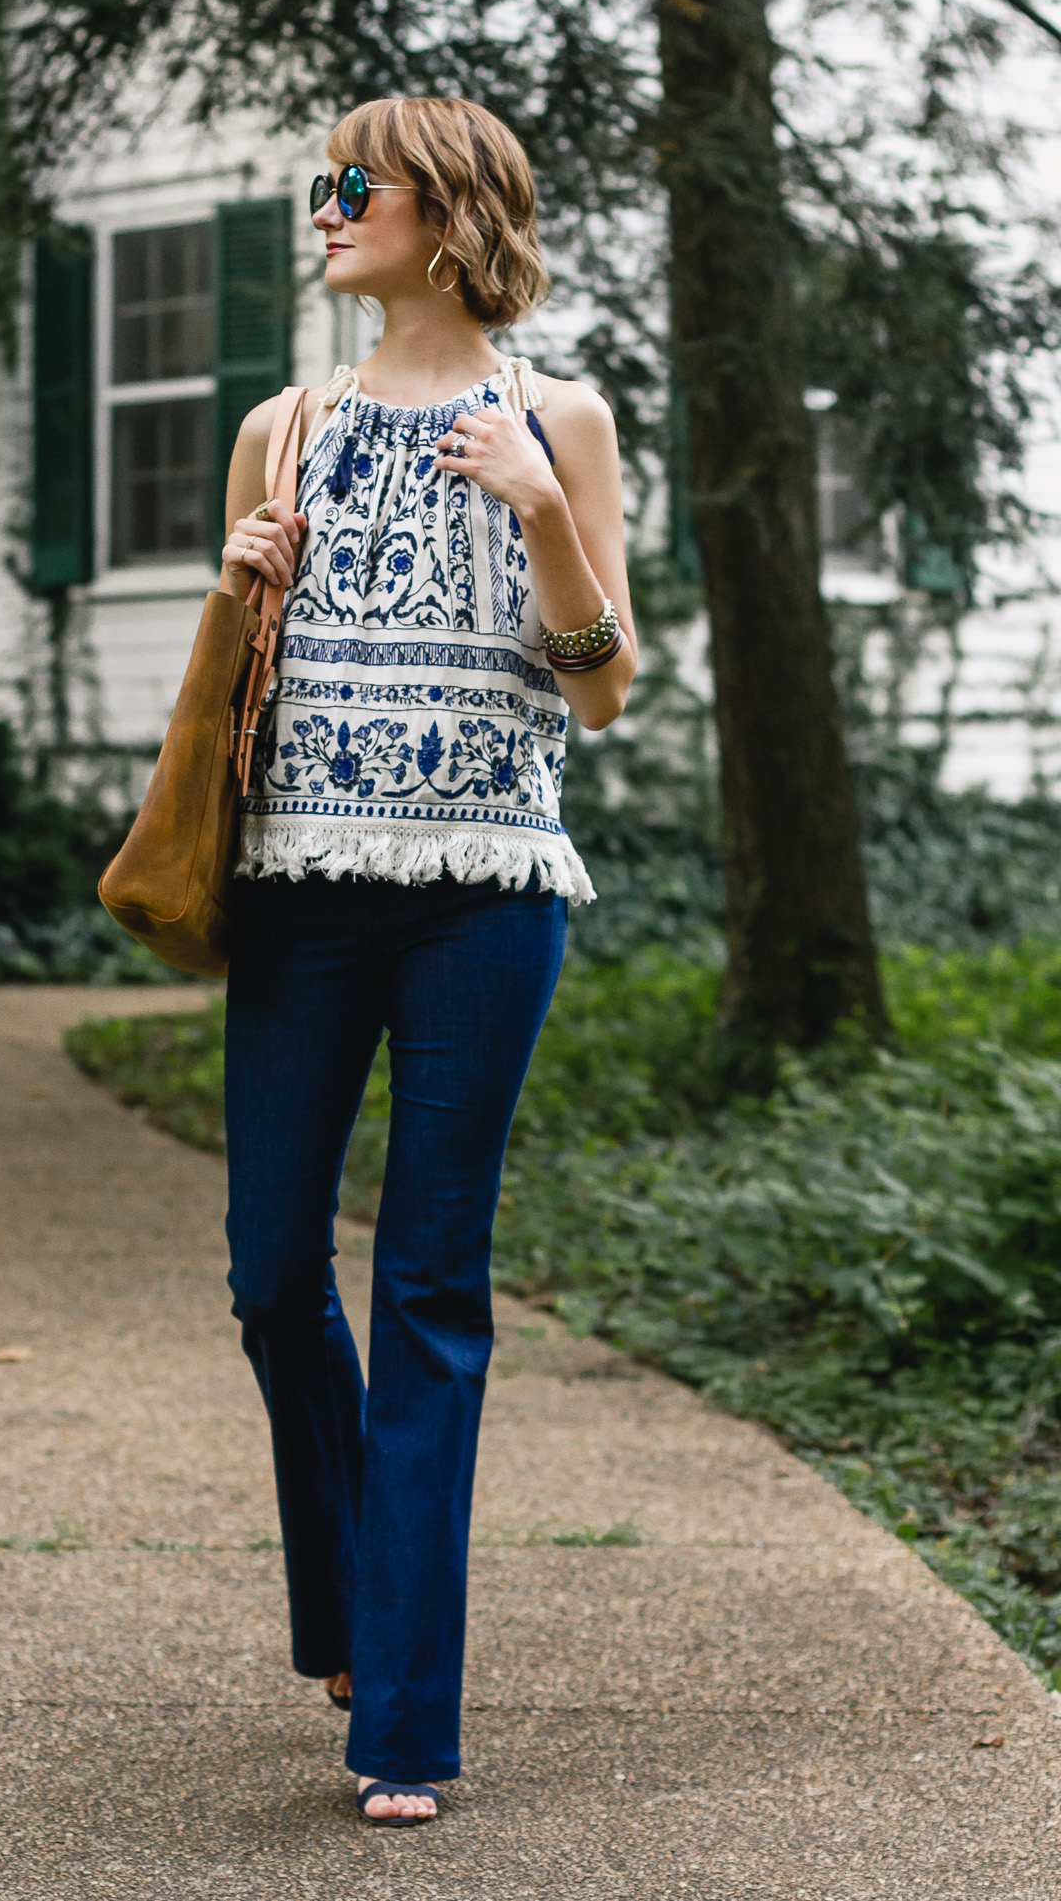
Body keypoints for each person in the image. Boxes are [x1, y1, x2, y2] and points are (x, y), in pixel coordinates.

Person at [218, 96, 637, 1827]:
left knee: (430, 1287)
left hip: (485, 891)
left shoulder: (563, 415)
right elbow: (252, 684)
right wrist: (239, 577)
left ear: (447, 211)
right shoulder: (284, 424)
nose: (322, 210)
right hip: (300, 887)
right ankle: (349, 1605)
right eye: (319, 186)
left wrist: (543, 511)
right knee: (265, 1271)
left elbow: (605, 688)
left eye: (350, 186)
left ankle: (402, 1715)